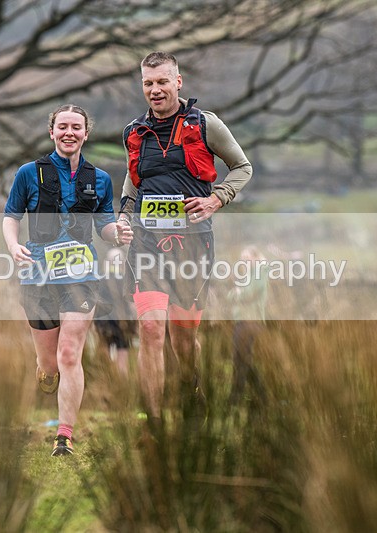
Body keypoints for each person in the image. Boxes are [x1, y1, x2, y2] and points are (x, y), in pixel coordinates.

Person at [117, 51, 253, 425]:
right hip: (146, 243)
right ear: (142, 86)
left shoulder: (206, 124)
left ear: (178, 81)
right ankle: (155, 421)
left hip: (193, 242)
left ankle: (193, 390)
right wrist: (124, 216)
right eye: (148, 83)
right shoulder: (132, 132)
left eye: (162, 82)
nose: (155, 90)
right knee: (149, 329)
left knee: (184, 338)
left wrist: (216, 198)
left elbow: (243, 166)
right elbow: (134, 178)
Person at [3, 104, 133, 457]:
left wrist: (117, 233)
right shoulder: (29, 173)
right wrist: (14, 246)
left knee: (69, 353)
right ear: (52, 132)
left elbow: (104, 227)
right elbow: (11, 217)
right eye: (63, 126)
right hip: (38, 274)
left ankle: (64, 436)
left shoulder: (100, 179)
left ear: (86, 133)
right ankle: (45, 371)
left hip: (81, 274)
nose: (69, 132)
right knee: (50, 365)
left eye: (76, 127)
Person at [227, 246, 268, 407]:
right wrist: (236, 293)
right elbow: (233, 295)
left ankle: (235, 398)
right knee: (243, 359)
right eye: (242, 258)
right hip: (243, 321)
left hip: (249, 322)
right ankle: (262, 395)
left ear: (256, 257)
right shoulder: (250, 275)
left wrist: (237, 292)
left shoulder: (259, 273)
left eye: (247, 258)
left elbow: (246, 294)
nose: (243, 261)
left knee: (240, 360)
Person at [94, 247, 136, 377]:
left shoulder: (99, 279)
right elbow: (132, 305)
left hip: (102, 323)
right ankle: (121, 386)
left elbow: (94, 303)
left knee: (103, 351)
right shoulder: (127, 279)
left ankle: (107, 380)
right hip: (123, 322)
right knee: (122, 356)